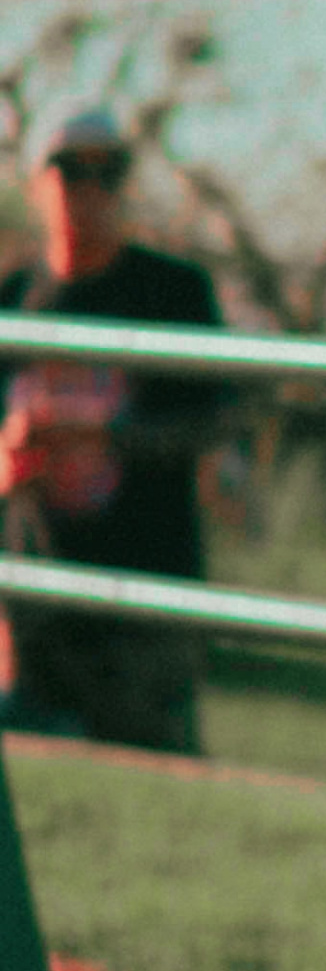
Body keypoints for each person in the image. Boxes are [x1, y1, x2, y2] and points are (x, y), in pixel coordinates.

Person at [0, 110, 226, 753]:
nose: (90, 189)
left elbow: (211, 422)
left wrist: (104, 439)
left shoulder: (174, 294)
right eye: (71, 169)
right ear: (37, 181)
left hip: (143, 603)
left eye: (110, 172)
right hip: (34, 602)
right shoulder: (13, 296)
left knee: (156, 776)